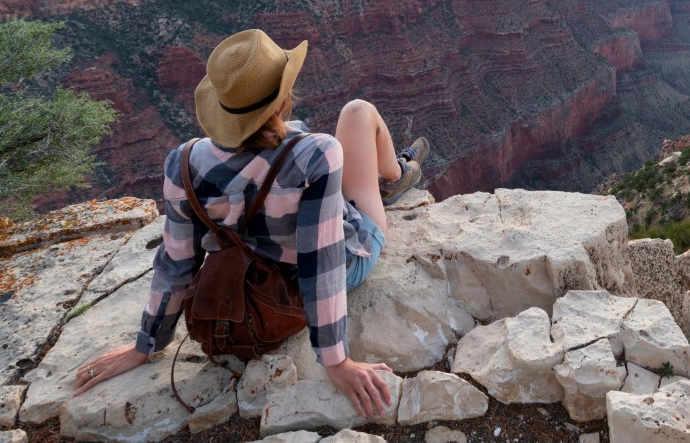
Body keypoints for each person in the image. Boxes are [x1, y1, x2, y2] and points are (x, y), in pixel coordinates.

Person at [71, 29, 428, 417]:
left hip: (245, 276)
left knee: (333, 152)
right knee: (358, 111)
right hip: (316, 277)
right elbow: (320, 263)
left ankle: (393, 173)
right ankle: (397, 175)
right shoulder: (316, 152)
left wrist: (146, 344)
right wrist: (337, 362)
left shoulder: (184, 162)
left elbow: (176, 262)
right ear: (284, 97)